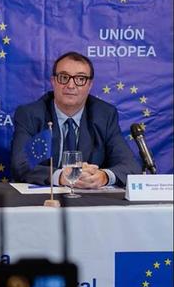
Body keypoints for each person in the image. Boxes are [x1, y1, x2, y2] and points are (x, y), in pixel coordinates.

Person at [11, 51, 139, 188]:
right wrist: (60, 177)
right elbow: (20, 164)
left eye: (80, 79)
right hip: (44, 203)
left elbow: (130, 166)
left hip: (90, 203)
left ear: (90, 85)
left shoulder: (104, 115)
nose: (71, 85)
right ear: (53, 81)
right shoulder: (30, 114)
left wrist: (104, 176)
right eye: (64, 77)